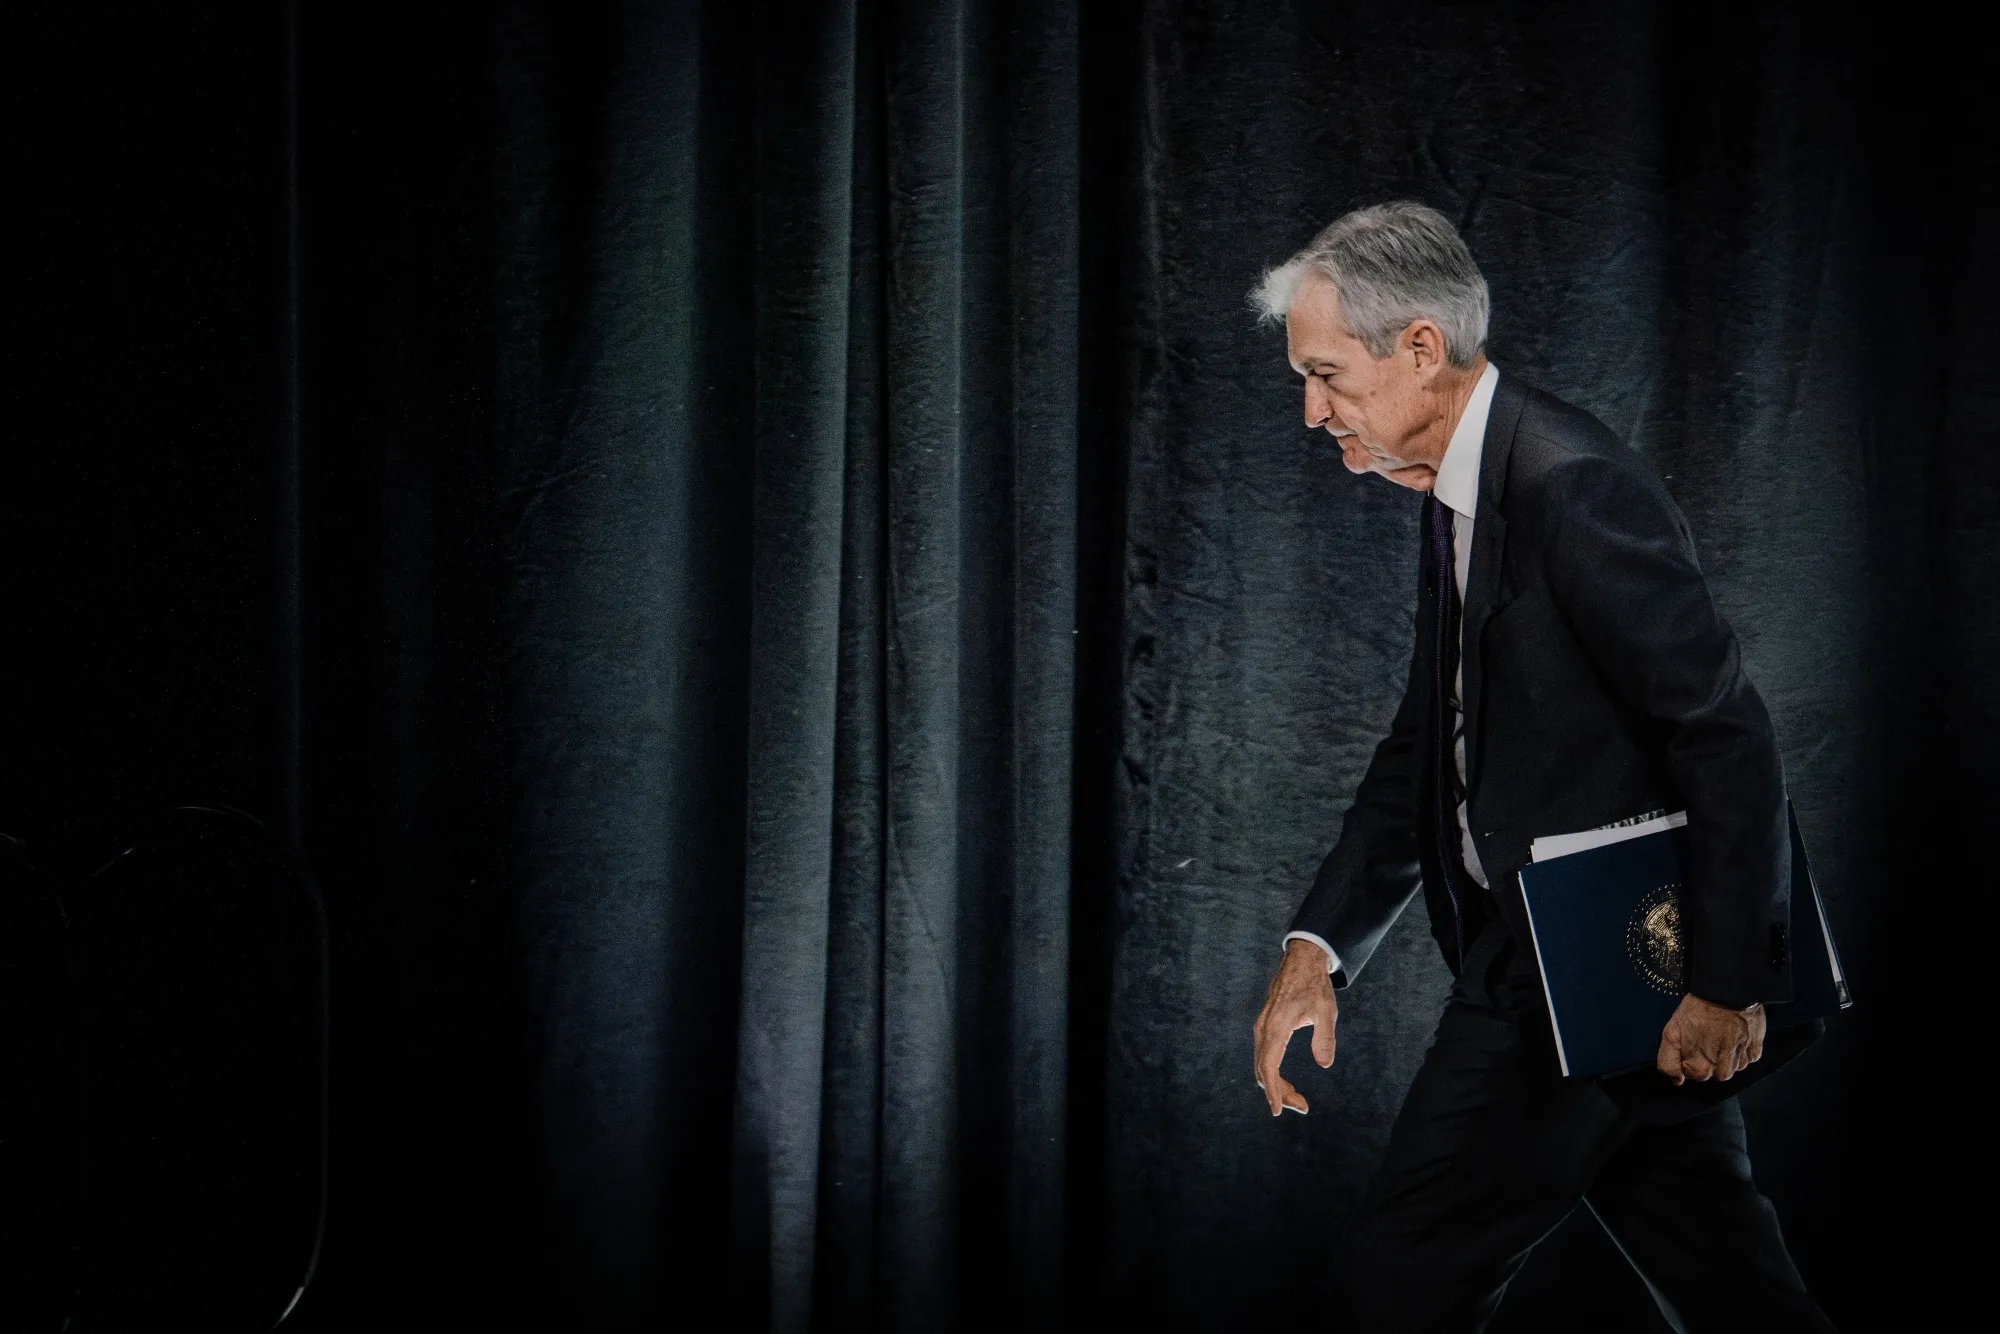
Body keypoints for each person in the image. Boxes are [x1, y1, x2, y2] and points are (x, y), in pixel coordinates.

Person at [1246, 201, 1834, 1332]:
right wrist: (1317, 944)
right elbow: (1431, 740)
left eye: (1324, 375)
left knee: (1402, 1280)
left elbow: (1723, 733)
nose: (1311, 410)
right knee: (1732, 1287)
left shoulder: (1568, 483)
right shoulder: (1457, 493)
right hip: (1598, 980)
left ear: (1419, 347)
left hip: (1576, 970)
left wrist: (1724, 980)